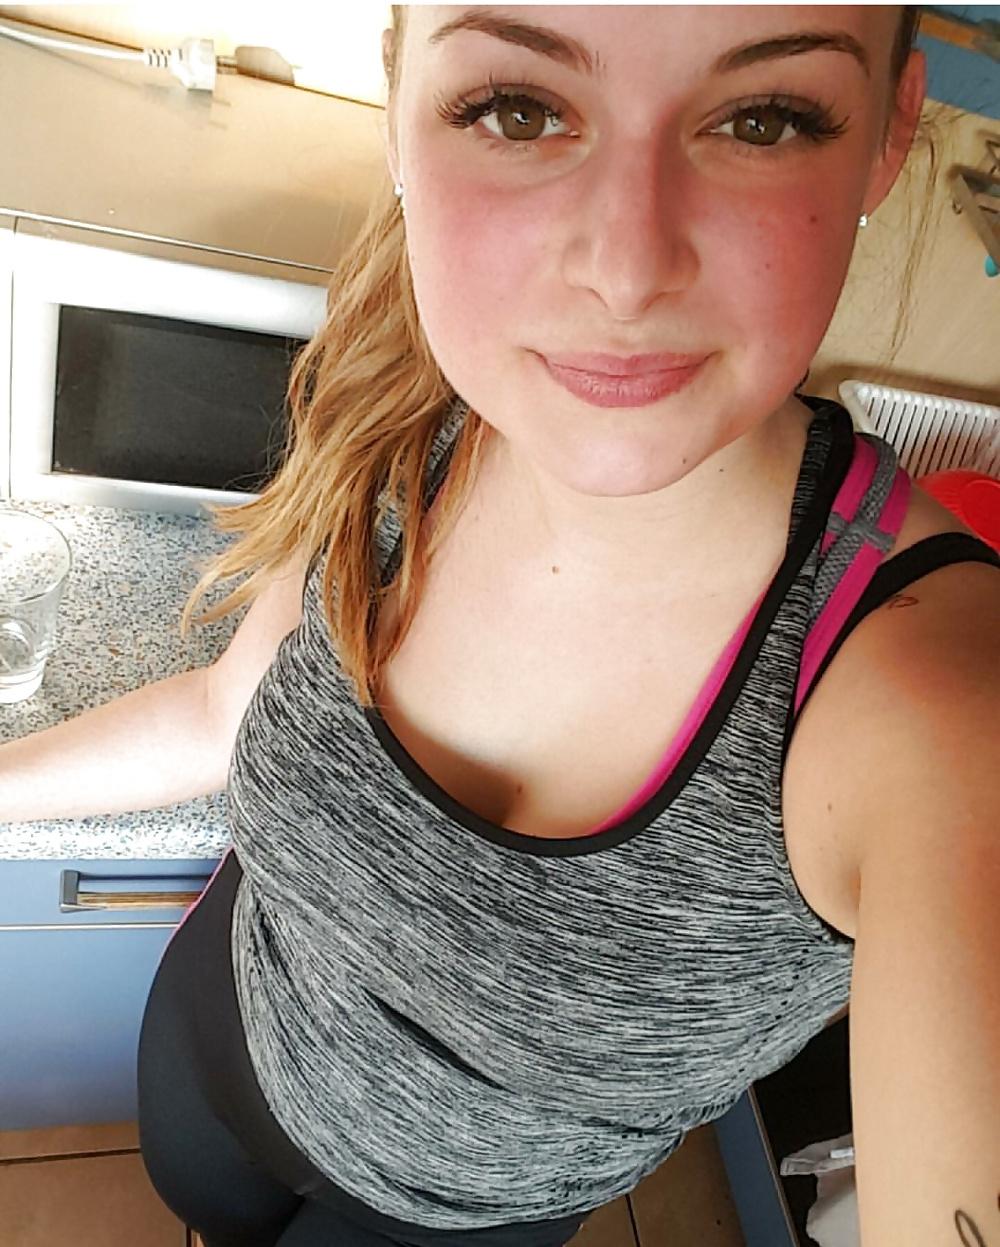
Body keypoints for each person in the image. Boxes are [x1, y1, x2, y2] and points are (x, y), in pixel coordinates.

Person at [2, 7, 997, 1247]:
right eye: (517, 111)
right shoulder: (408, 398)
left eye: (762, 119)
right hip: (214, 1055)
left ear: (888, 132)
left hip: (451, 1221)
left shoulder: (936, 707)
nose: (625, 272)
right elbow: (222, 709)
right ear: (400, 104)